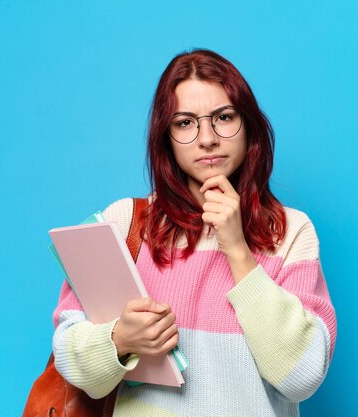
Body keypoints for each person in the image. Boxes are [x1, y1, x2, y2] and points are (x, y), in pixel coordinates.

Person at [52, 49, 337, 417]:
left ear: (248, 123)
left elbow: (303, 377)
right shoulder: (123, 222)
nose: (207, 139)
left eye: (224, 117)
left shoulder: (291, 232)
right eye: (185, 122)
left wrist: (237, 248)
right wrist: (119, 340)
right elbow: (69, 357)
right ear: (165, 136)